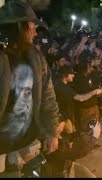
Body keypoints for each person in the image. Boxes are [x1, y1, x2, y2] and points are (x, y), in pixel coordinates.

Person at [0, 0, 59, 176]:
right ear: (19, 27)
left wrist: (51, 132)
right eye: (31, 25)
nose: (34, 30)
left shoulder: (36, 58)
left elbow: (48, 97)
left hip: (28, 142)